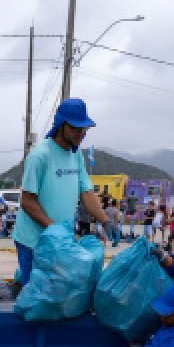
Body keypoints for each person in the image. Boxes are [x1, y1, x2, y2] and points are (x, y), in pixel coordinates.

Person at [12, 97, 111, 283]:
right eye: (74, 128)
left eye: (83, 128)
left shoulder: (76, 156)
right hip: (33, 241)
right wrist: (56, 229)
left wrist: (105, 220)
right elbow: (27, 201)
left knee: (56, 295)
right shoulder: (40, 156)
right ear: (60, 125)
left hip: (59, 241)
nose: (80, 133)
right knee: (35, 299)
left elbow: (86, 192)